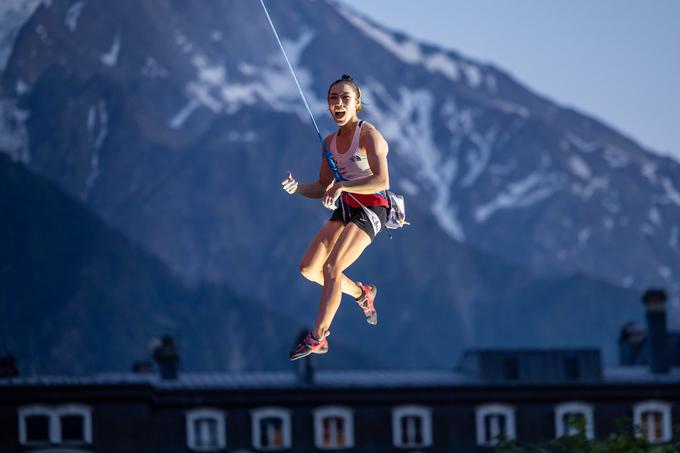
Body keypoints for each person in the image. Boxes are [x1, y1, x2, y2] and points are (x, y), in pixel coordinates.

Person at [282, 75, 390, 361]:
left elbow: (381, 180)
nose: (338, 103)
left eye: (345, 98)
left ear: (357, 104)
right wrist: (298, 189)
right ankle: (361, 294)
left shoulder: (368, 135)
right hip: (346, 206)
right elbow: (321, 186)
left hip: (372, 206)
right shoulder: (329, 142)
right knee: (308, 268)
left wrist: (342, 186)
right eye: (333, 98)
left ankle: (319, 337)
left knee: (332, 267)